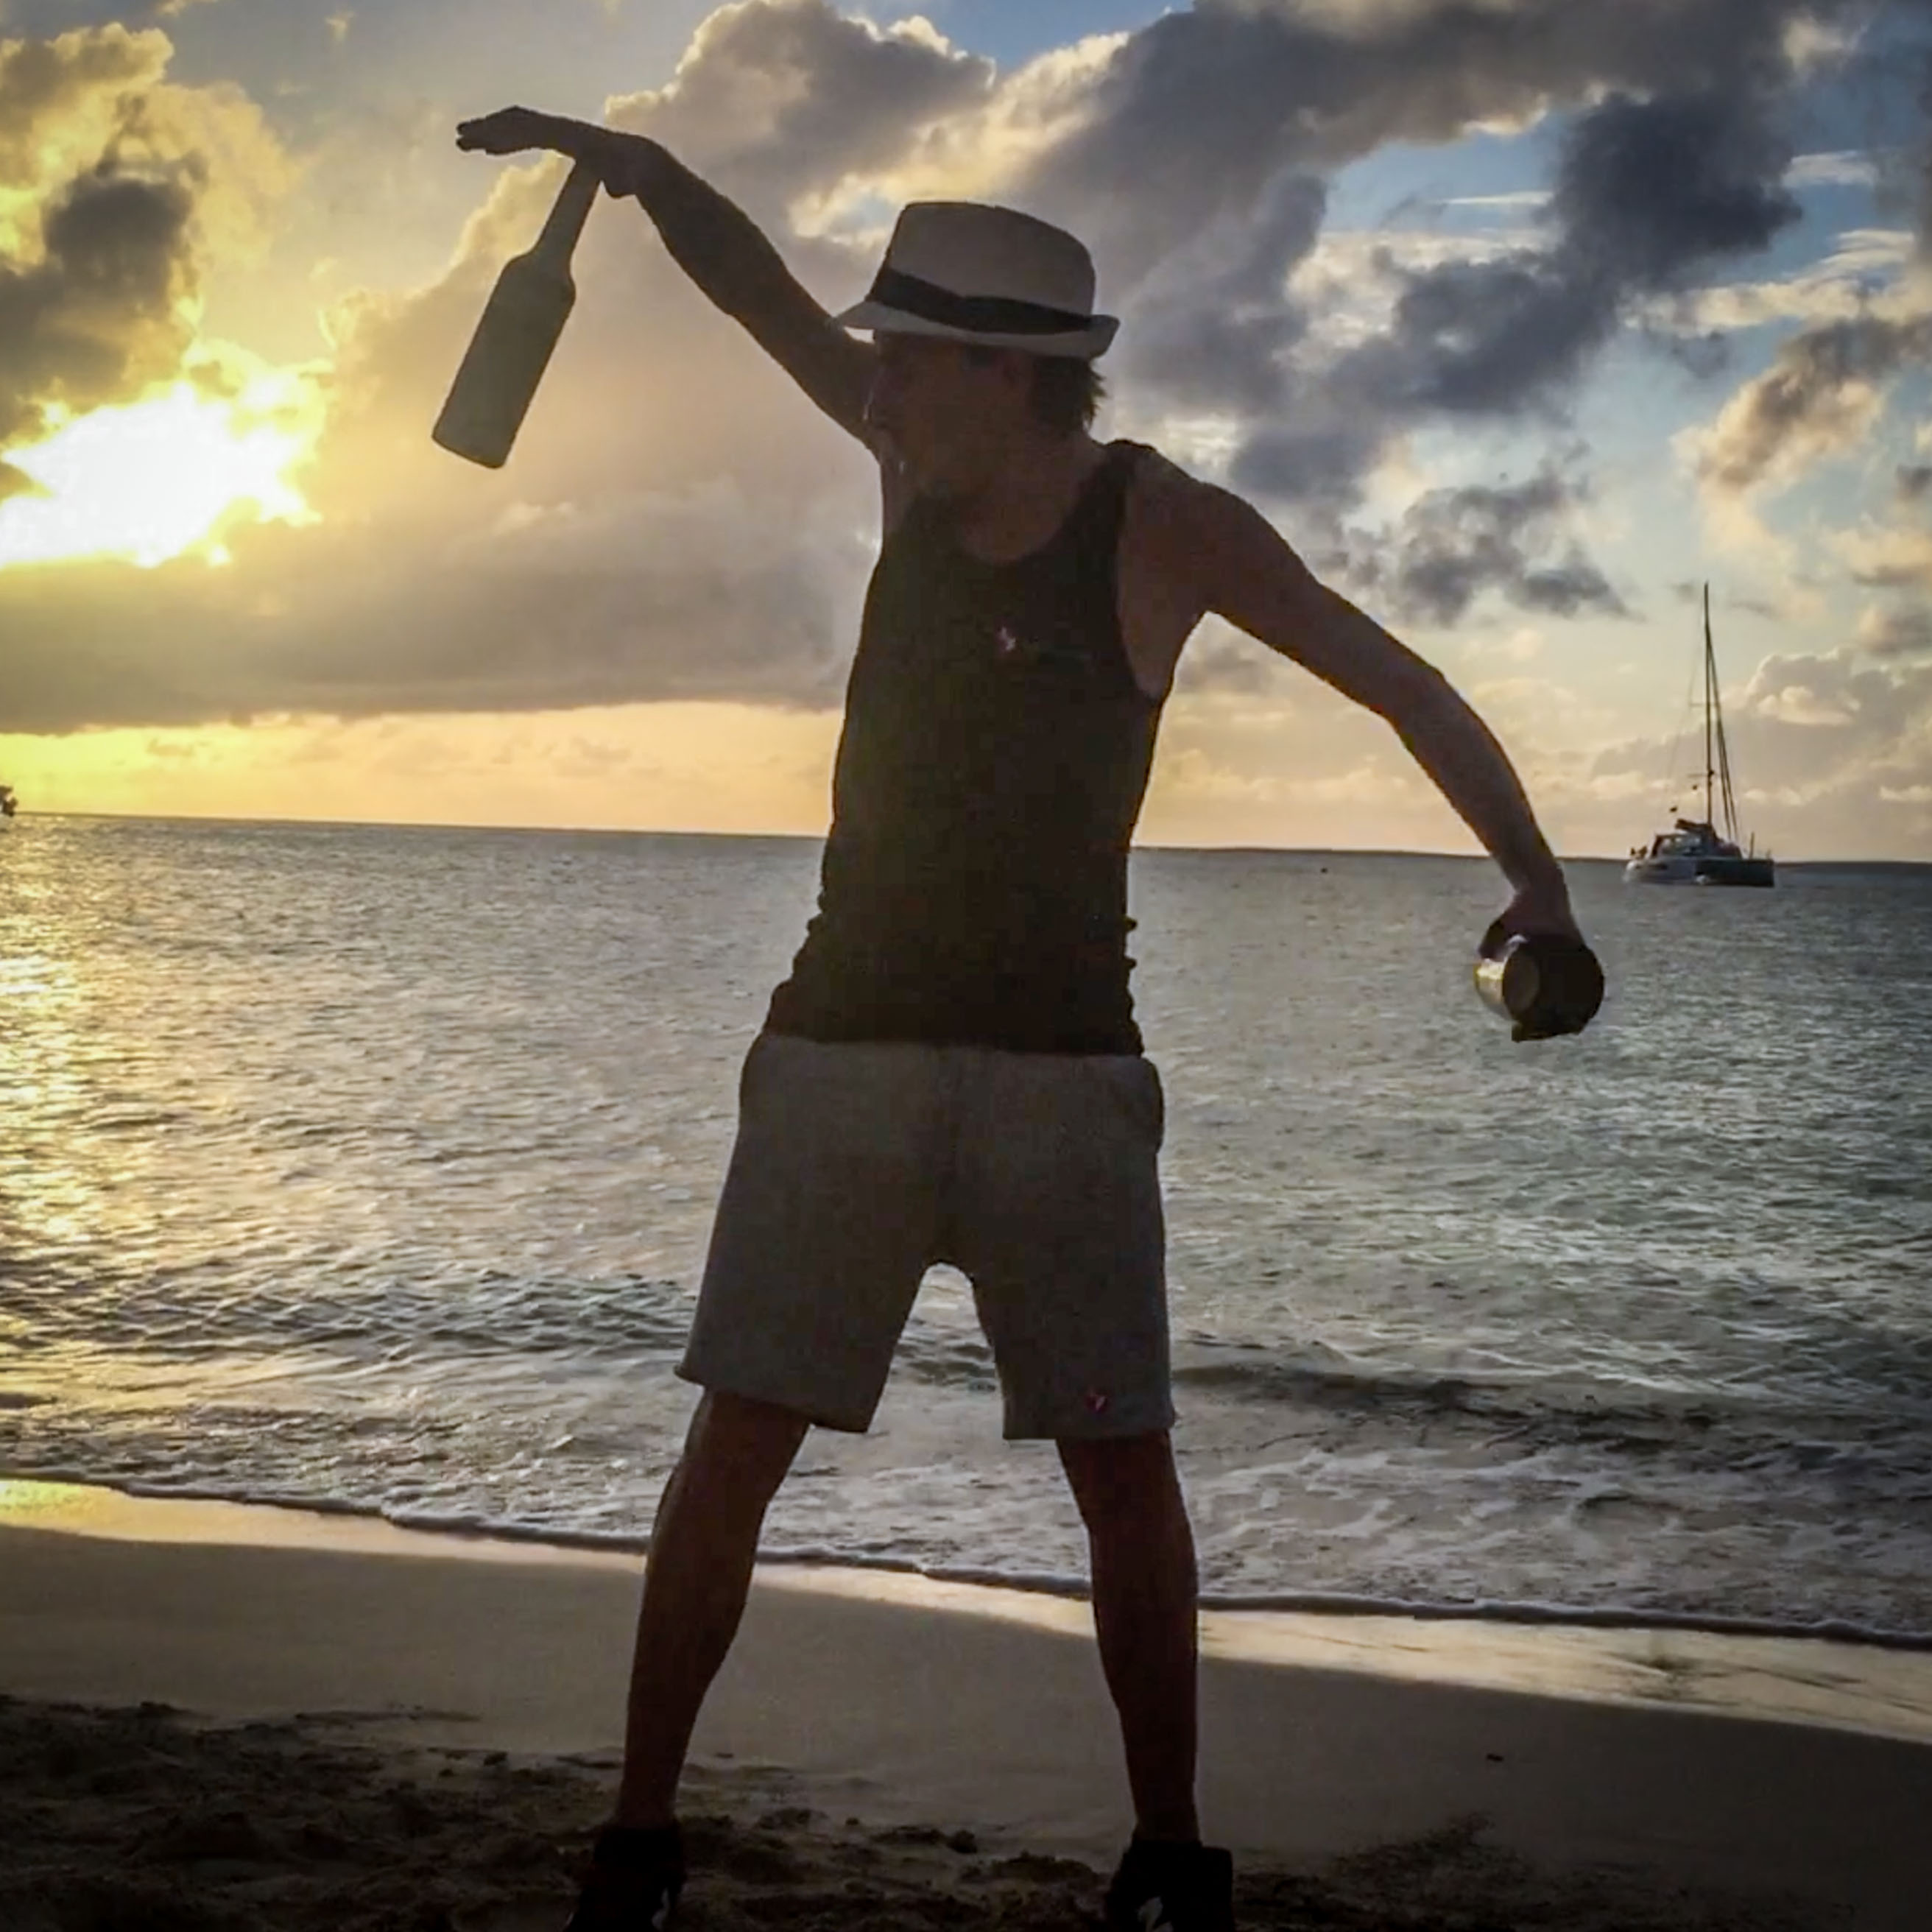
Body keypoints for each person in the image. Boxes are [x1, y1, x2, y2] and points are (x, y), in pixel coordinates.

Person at [454, 105, 1588, 1932]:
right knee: (731, 1453)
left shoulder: (1169, 528)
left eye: (910, 355)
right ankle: (638, 1840)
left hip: (1066, 1087)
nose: (877, 381)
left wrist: (1534, 879)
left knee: (1121, 1474)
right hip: (840, 1058)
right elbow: (753, 295)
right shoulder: (905, 457)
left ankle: (1170, 1857)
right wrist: (643, 170)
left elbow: (1400, 681)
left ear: (1009, 371)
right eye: (884, 355)